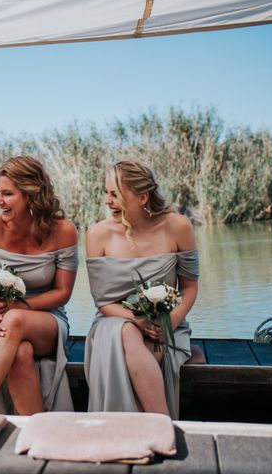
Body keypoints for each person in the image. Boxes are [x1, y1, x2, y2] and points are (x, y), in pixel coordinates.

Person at [84, 159, 199, 419]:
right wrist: (136, 321)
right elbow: (103, 302)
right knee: (125, 332)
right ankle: (161, 422)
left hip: (164, 324)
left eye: (115, 194)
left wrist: (170, 321)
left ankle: (133, 433)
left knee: (141, 354)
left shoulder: (177, 226)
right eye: (106, 193)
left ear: (142, 197)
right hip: (112, 321)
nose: (107, 201)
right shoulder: (97, 235)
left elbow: (190, 287)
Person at [0, 156, 78, 415]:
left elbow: (63, 293)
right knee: (20, 353)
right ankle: (35, 427)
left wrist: (18, 305)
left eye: (7, 194)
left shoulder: (63, 230)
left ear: (31, 195)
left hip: (47, 322)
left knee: (14, 318)